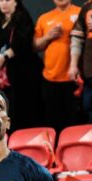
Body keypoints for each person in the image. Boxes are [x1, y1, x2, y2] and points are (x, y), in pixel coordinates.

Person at [0, 0, 44, 130]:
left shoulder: (23, 21)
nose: (4, 3)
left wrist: (4, 57)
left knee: (20, 112)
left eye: (8, 0)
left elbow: (23, 43)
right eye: (1, 0)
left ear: (16, 3)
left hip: (20, 76)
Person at [35, 0, 83, 133]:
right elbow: (35, 46)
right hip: (50, 78)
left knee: (75, 123)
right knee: (53, 123)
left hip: (74, 78)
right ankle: (54, 151)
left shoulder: (81, 13)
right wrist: (47, 37)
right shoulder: (44, 18)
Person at [70, 0, 92, 122]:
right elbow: (77, 38)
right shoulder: (87, 6)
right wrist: (73, 65)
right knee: (88, 107)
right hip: (89, 71)